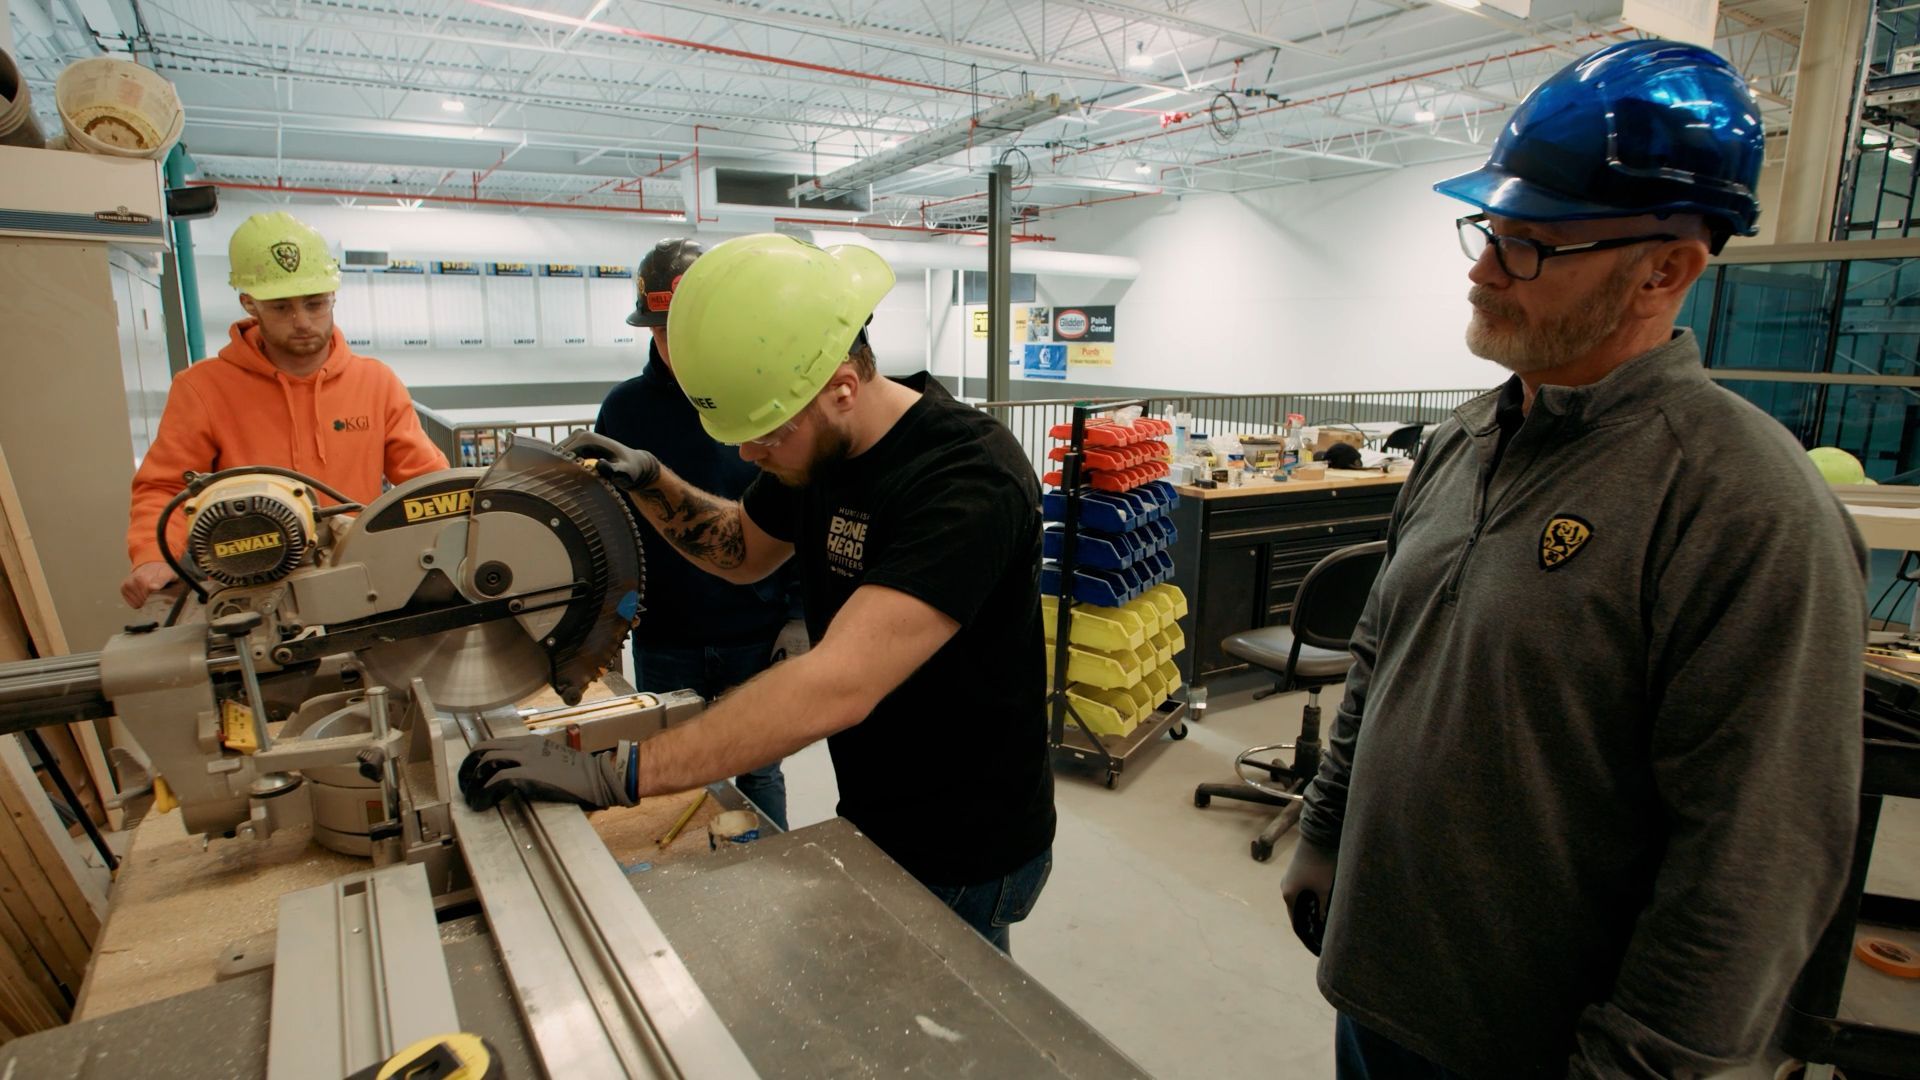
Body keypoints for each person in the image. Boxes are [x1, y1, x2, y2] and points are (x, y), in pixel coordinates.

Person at [1278, 40, 1869, 1079]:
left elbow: (1754, 857)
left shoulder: (1743, 505)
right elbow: (1383, 650)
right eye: (1489, 231)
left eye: (1532, 246)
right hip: (1379, 995)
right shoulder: (1464, 439)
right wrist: (1326, 828)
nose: (1482, 268)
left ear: (1666, 268)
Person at [460, 234, 1056, 953]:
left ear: (841, 386)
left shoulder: (967, 481)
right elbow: (741, 547)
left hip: (966, 842)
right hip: (877, 806)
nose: (748, 456)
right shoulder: (823, 446)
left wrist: (617, 772)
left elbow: (839, 684)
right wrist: (652, 480)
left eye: (765, 436)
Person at [121, 211, 447, 607]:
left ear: (332, 297)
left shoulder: (375, 382)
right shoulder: (202, 388)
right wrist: (153, 557)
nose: (302, 322)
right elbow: (166, 487)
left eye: (315, 304)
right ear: (249, 304)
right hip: (250, 588)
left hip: (361, 579)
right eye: (280, 308)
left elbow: (428, 482)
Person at [593, 238, 796, 830]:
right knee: (681, 772)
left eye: (689, 331)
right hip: (665, 637)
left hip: (755, 633)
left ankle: (771, 864)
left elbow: (798, 507)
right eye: (663, 334)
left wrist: (800, 616)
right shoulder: (626, 411)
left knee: (761, 770)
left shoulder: (761, 398)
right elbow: (612, 522)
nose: (677, 348)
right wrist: (607, 620)